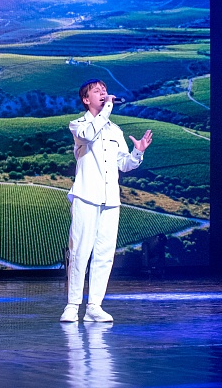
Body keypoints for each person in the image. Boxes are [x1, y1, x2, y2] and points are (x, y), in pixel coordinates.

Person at [60, 78, 153, 323]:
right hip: (86, 195)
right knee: (80, 252)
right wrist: (108, 108)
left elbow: (124, 164)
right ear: (86, 99)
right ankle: (73, 305)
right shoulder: (78, 125)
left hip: (111, 199)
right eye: (97, 91)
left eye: (105, 90)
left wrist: (138, 151)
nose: (103, 94)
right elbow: (89, 135)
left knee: (104, 254)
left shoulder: (115, 131)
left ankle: (94, 306)